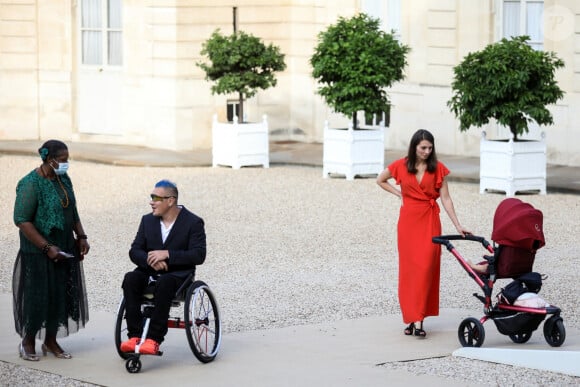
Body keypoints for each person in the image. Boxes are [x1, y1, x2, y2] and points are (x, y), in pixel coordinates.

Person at [376, 129, 470, 338]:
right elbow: (380, 180)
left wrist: (458, 225)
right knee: (409, 271)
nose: (427, 151)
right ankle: (413, 320)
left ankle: (418, 318)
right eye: (423, 148)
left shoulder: (438, 168)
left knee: (426, 268)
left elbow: (446, 199)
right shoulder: (400, 165)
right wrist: (399, 194)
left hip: (429, 221)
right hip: (408, 223)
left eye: (430, 148)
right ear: (414, 147)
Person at [13, 140, 90, 361]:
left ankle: (50, 340)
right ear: (49, 159)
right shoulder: (30, 184)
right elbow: (22, 220)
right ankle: (27, 341)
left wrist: (81, 235)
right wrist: (47, 247)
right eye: (63, 160)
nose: (67, 164)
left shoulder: (63, 179)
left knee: (60, 295)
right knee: (38, 296)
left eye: (67, 159)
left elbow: (72, 209)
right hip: (39, 250)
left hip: (64, 247)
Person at [120, 179, 206, 355]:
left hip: (178, 275)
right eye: (151, 197)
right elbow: (135, 250)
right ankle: (134, 336)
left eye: (155, 197)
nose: (151, 202)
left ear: (170, 200)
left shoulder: (193, 222)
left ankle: (153, 339)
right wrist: (150, 260)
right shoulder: (147, 221)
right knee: (130, 278)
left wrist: (168, 255)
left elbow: (198, 255)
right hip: (149, 270)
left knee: (165, 282)